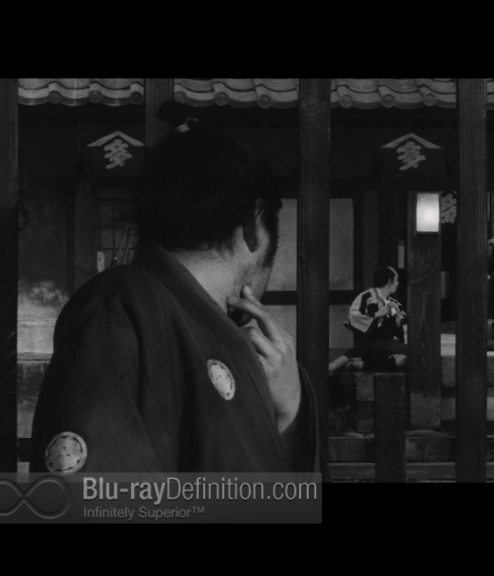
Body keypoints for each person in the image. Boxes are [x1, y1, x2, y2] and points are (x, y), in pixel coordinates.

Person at [29, 102, 324, 475]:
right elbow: (90, 496)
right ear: (255, 225)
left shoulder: (219, 337)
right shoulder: (118, 309)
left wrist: (289, 412)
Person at [348, 266, 408, 356]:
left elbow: (401, 327)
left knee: (409, 349)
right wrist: (377, 314)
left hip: (386, 343)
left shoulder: (393, 302)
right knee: (408, 351)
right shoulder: (365, 297)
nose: (398, 283)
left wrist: (398, 319)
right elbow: (353, 317)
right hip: (368, 344)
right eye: (396, 280)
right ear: (389, 281)